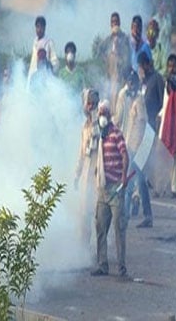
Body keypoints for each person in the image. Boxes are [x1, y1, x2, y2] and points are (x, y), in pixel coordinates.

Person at [91, 100, 129, 278]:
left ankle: (121, 267)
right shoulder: (99, 135)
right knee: (100, 227)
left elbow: (124, 155)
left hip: (116, 188)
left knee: (119, 228)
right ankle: (102, 265)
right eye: (100, 113)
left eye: (105, 113)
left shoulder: (116, 134)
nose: (102, 116)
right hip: (103, 189)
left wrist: (123, 176)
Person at [114, 71, 151, 228]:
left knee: (129, 183)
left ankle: (125, 217)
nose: (131, 85)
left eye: (133, 82)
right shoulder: (126, 96)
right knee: (141, 182)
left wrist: (138, 149)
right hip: (129, 144)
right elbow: (120, 119)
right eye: (129, 82)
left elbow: (142, 124)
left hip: (137, 146)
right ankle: (148, 216)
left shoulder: (139, 101)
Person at [158, 54, 176, 198]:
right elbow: (166, 103)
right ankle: (161, 186)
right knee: (163, 155)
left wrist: (173, 87)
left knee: (175, 157)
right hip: (166, 124)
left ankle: (174, 188)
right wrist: (160, 114)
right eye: (169, 66)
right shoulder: (166, 82)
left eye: (174, 66)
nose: (171, 68)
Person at [74, 89, 100, 250]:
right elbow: (81, 154)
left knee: (98, 216)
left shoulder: (102, 125)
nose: (88, 107)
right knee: (84, 215)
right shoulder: (85, 127)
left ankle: (99, 249)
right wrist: (76, 175)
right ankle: (84, 249)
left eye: (91, 103)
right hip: (86, 177)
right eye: (87, 103)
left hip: (98, 176)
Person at [97, 12, 131, 111]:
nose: (114, 24)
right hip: (110, 76)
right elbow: (99, 51)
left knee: (120, 103)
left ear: (119, 23)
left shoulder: (124, 39)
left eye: (116, 21)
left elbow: (127, 59)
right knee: (110, 101)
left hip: (121, 77)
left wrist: (118, 51)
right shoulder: (108, 39)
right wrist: (106, 60)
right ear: (110, 24)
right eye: (112, 22)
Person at [27, 16, 59, 84]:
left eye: (41, 27)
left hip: (44, 77)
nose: (39, 29)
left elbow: (55, 61)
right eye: (37, 27)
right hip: (33, 75)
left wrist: (50, 72)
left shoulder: (49, 42)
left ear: (45, 28)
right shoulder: (35, 42)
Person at [137, 51, 164, 132]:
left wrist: (159, 116)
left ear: (146, 65)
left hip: (153, 120)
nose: (140, 69)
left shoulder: (157, 78)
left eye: (140, 66)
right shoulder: (143, 80)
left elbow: (162, 100)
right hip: (142, 121)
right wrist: (141, 81)